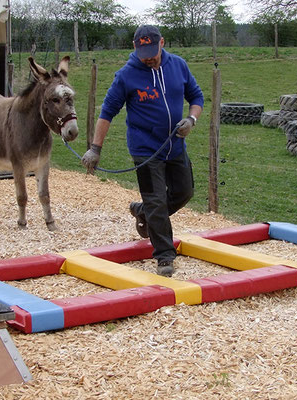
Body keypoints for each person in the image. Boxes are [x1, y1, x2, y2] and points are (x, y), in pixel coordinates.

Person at [81, 25, 204, 277]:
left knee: (184, 192)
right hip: (145, 150)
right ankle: (164, 256)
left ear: (162, 43)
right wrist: (95, 148)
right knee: (157, 201)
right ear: (135, 48)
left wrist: (191, 120)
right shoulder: (126, 75)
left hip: (175, 145)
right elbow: (107, 112)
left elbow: (196, 96)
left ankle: (142, 211)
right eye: (142, 52)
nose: (148, 57)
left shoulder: (178, 65)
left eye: (152, 51)